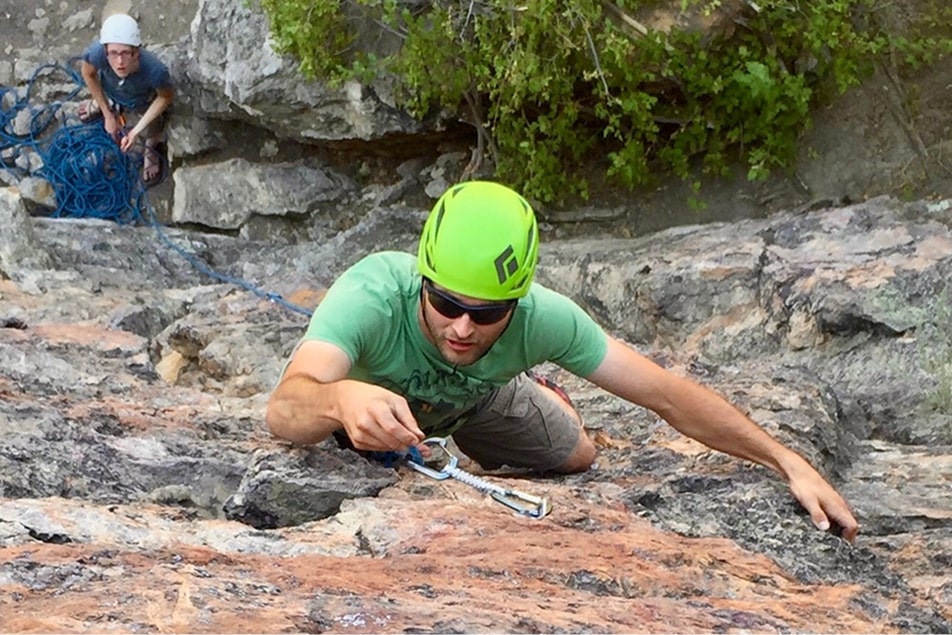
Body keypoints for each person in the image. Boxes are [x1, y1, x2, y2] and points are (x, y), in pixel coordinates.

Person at [266, 180, 860, 542]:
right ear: (423, 277)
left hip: (474, 403)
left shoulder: (545, 316)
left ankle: (531, 389)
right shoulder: (372, 295)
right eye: (446, 303)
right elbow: (285, 406)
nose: (464, 327)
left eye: (489, 312)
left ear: (518, 299)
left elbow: (668, 396)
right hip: (364, 408)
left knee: (576, 456)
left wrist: (788, 462)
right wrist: (341, 398)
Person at [78, 13, 174, 185]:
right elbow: (88, 73)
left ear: (136, 52)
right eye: (113, 54)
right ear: (106, 52)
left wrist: (135, 132)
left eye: (125, 53)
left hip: (142, 101)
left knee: (154, 123)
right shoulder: (97, 54)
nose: (120, 62)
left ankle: (152, 144)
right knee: (108, 97)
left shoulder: (155, 71)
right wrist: (108, 116)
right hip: (111, 91)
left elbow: (165, 97)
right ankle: (105, 105)